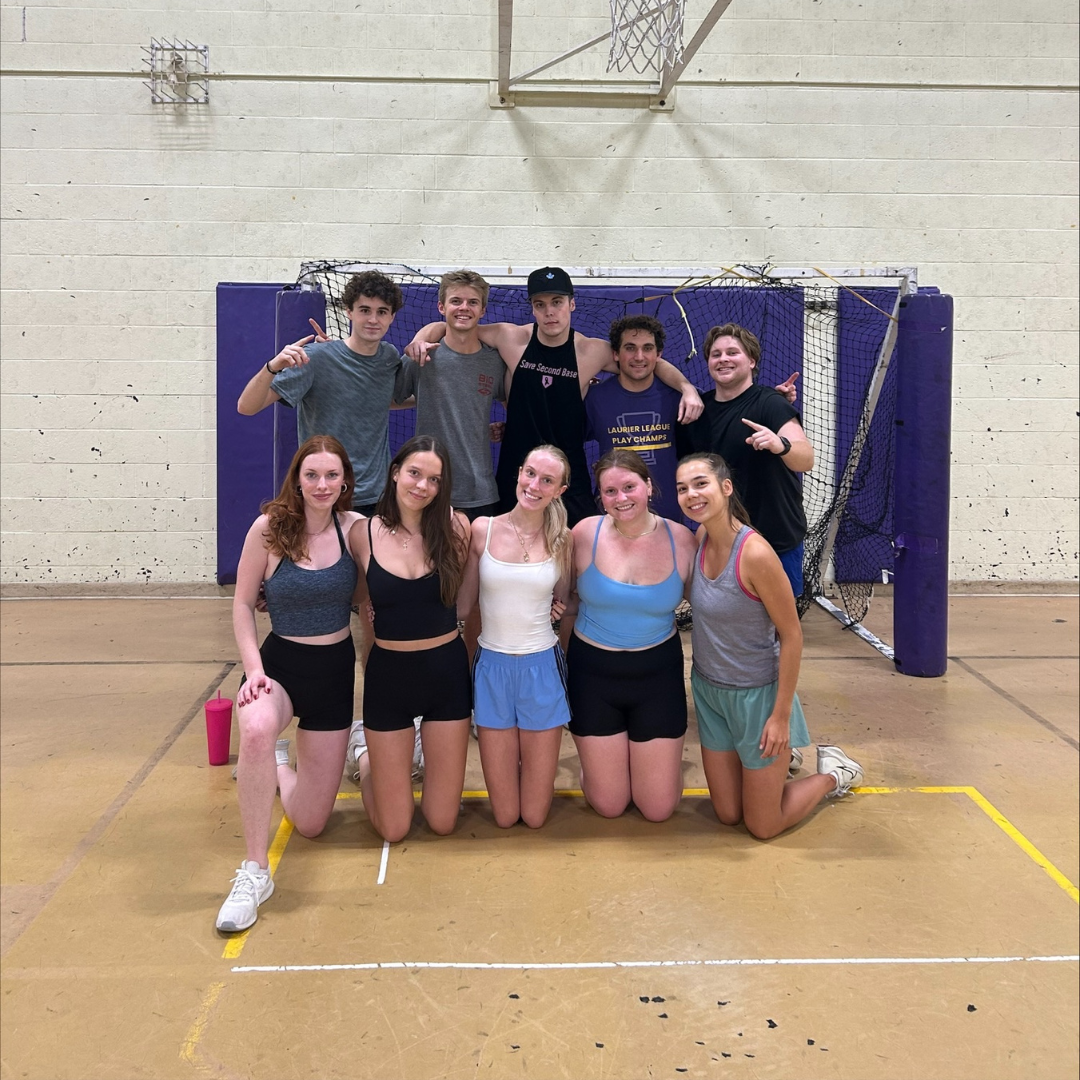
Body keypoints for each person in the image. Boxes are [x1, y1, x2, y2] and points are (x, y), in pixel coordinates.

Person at [406, 267, 704, 526]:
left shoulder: (591, 351)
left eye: (557, 302)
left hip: (568, 478)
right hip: (517, 474)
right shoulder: (511, 338)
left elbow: (644, 362)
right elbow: (453, 325)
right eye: (541, 304)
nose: (550, 312)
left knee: (581, 550)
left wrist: (687, 388)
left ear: (572, 304)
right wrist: (420, 339)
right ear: (533, 309)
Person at [675, 453, 863, 839]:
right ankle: (781, 761)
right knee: (728, 814)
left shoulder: (756, 554)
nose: (691, 494)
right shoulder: (699, 538)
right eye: (682, 488)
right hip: (710, 693)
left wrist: (779, 717)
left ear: (726, 488)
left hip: (757, 698)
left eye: (700, 484)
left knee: (763, 825)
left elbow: (792, 636)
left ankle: (833, 773)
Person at [217, 436, 362, 932]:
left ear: (345, 481)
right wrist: (254, 670)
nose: (322, 485)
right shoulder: (268, 531)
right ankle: (255, 870)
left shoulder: (355, 530)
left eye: (331, 476)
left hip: (334, 671)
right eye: (312, 475)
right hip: (279, 666)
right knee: (257, 727)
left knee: (311, 824)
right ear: (297, 479)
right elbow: (241, 604)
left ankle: (279, 766)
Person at [347, 435, 475, 842]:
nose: (422, 486)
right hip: (388, 679)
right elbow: (347, 592)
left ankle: (413, 752)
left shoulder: (456, 527)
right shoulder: (361, 533)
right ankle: (366, 756)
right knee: (395, 828)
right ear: (395, 472)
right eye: (415, 473)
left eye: (434, 480)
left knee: (442, 822)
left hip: (446, 677)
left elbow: (471, 607)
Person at [564, 449, 698, 822]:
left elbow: (713, 605)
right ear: (600, 497)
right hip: (593, 676)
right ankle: (600, 766)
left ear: (649, 486)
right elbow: (563, 601)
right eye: (609, 491)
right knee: (609, 805)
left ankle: (649, 768)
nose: (620, 499)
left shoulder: (682, 540)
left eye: (629, 487)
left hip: (657, 676)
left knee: (657, 809)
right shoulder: (583, 534)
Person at [237, 270, 408, 515]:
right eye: (364, 310)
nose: (373, 319)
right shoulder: (316, 358)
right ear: (349, 311)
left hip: (377, 498)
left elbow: (382, 399)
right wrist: (271, 367)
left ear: (392, 317)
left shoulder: (388, 357)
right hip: (325, 494)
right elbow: (247, 406)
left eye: (381, 312)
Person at [469, 445, 574, 829]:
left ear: (560, 490)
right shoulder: (483, 529)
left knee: (532, 817)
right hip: (492, 669)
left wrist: (558, 610)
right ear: (518, 473)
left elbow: (563, 600)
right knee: (504, 816)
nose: (534, 485)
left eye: (547, 480)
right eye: (530, 473)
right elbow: (462, 604)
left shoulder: (563, 540)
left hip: (542, 670)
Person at [686, 323, 813, 595]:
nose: (723, 359)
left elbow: (805, 459)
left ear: (751, 360)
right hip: (722, 542)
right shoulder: (698, 411)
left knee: (779, 628)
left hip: (775, 538)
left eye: (733, 352)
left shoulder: (770, 403)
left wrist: (781, 445)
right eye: (716, 354)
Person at [396, 270, 506, 520]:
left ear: (483, 310)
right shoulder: (421, 355)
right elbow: (387, 398)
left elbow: (514, 403)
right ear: (441, 307)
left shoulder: (495, 362)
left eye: (472, 302)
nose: (464, 308)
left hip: (480, 491)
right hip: (427, 489)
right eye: (456, 301)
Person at [584, 314, 693, 522]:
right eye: (630, 348)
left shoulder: (682, 398)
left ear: (659, 354)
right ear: (615, 354)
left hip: (670, 518)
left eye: (648, 348)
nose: (639, 357)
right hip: (616, 516)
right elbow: (562, 435)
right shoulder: (594, 398)